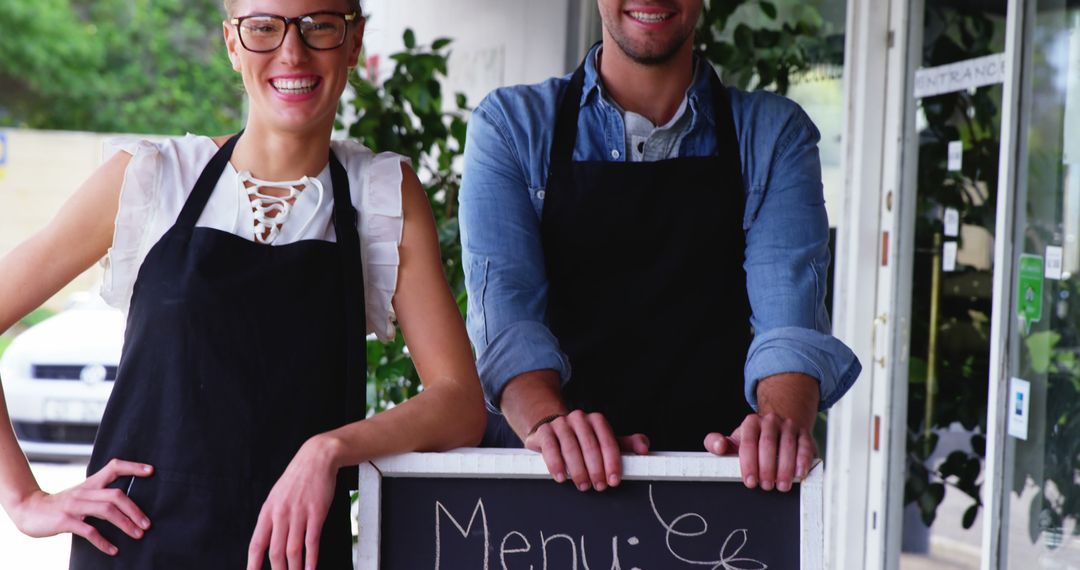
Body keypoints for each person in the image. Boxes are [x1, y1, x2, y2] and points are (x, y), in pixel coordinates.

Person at [0, 0, 486, 568]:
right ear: (233, 43)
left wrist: (329, 449)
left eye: (319, 25)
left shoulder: (380, 194)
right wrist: (24, 498)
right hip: (134, 549)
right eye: (263, 27)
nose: (292, 51)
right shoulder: (154, 178)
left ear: (353, 42)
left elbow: (458, 404)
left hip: (295, 556)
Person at [460, 0, 860, 496]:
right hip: (549, 491)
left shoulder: (774, 135)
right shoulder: (512, 127)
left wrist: (779, 426)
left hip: (719, 490)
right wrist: (549, 425)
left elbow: (789, 325)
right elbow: (507, 321)